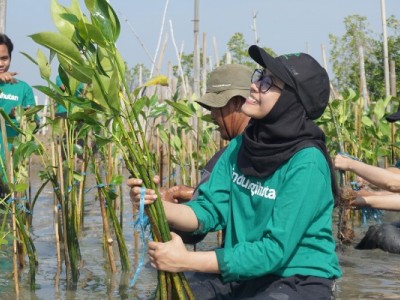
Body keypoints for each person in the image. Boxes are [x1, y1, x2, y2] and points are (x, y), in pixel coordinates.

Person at [128, 46, 342, 299]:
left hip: (297, 278)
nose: (254, 86)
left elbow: (273, 252)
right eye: (259, 76)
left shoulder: (307, 162)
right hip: (243, 273)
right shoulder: (242, 145)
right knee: (172, 294)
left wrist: (186, 261)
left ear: (291, 101)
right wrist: (156, 204)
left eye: (268, 83)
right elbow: (209, 209)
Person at [160, 64, 252, 245]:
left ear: (237, 103)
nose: (211, 115)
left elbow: (195, 232)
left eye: (216, 107)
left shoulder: (227, 157)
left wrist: (163, 208)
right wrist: (195, 194)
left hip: (240, 266)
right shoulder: (298, 149)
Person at [0, 34, 39, 174]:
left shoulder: (23, 89)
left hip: (11, 166)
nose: (1, 63)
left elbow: (35, 125)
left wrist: (25, 115)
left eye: (4, 58)